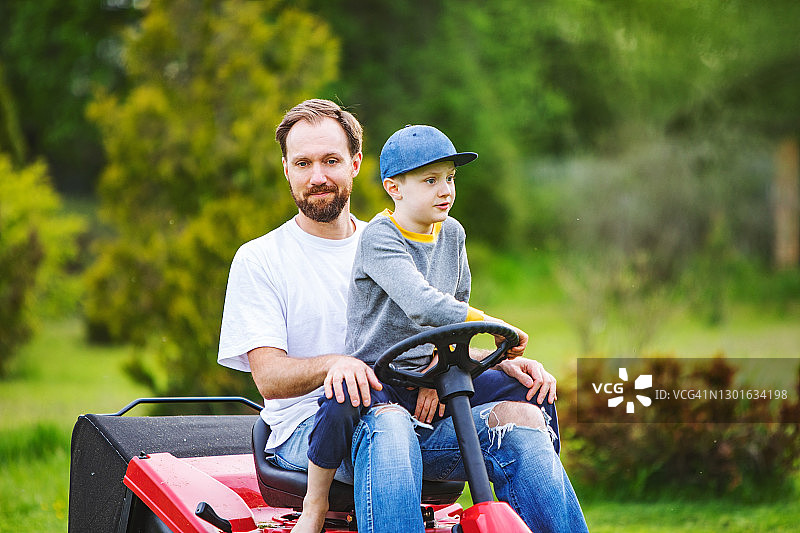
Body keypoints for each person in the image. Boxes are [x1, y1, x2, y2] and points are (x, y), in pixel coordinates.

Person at [218, 99, 588, 533]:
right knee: (388, 424)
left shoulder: (403, 239)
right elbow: (269, 379)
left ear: (356, 164)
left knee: (523, 418)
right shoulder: (261, 259)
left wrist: (498, 360)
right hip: (313, 429)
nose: (317, 176)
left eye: (331, 161)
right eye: (303, 163)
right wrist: (338, 364)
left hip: (414, 408)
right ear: (286, 169)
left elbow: (440, 326)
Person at [293, 124, 564, 533]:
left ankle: (532, 506)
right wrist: (488, 322)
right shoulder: (380, 238)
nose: (446, 190)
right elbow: (423, 304)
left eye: (450, 179)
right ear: (395, 188)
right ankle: (315, 505)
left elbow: (452, 315)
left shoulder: (452, 233)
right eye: (431, 180)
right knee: (341, 397)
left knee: (529, 391)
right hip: (377, 375)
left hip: (432, 370)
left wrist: (436, 376)